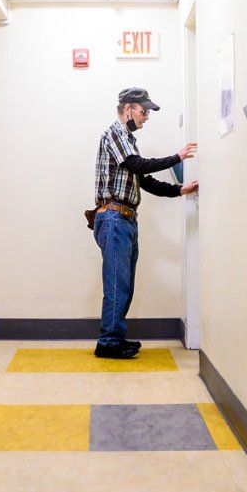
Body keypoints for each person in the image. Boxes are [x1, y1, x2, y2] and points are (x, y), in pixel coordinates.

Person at [90, 87, 198, 359]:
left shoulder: (127, 139)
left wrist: (178, 190)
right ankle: (108, 342)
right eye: (143, 111)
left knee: (124, 284)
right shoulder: (115, 133)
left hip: (124, 220)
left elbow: (143, 180)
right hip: (114, 218)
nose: (146, 117)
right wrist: (176, 157)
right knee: (117, 283)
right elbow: (137, 165)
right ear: (128, 109)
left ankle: (115, 338)